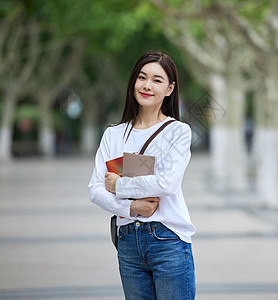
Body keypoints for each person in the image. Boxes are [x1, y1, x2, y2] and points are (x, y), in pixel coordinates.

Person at [88, 51, 196, 299]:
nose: (147, 85)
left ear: (169, 89)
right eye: (142, 77)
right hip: (127, 242)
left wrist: (119, 184)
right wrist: (132, 207)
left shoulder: (177, 132)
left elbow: (166, 183)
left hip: (167, 239)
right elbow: (95, 188)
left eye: (157, 80)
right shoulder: (113, 134)